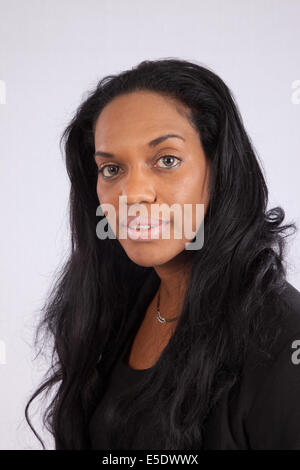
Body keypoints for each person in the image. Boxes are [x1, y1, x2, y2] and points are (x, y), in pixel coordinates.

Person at [25, 58, 300, 450]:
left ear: (220, 170)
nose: (132, 194)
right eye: (112, 169)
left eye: (167, 160)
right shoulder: (117, 307)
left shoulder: (284, 340)